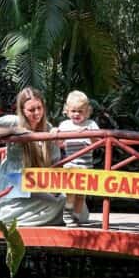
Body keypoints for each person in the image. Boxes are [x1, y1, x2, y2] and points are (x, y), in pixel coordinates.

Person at [0, 87, 65, 226]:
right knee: (55, 207)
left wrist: (58, 138)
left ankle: (8, 221)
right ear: (22, 110)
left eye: (39, 108)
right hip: (12, 187)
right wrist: (11, 131)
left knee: (62, 202)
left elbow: (55, 163)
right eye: (31, 110)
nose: (37, 113)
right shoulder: (14, 121)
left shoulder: (47, 127)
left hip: (33, 186)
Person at [57, 91, 99, 226]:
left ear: (87, 112)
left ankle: (76, 217)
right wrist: (56, 133)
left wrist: (89, 133)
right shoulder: (65, 125)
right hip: (70, 165)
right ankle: (68, 214)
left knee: (81, 195)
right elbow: (59, 144)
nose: (76, 114)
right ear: (67, 111)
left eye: (80, 111)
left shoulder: (91, 124)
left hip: (86, 166)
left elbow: (98, 142)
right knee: (71, 192)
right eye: (73, 111)